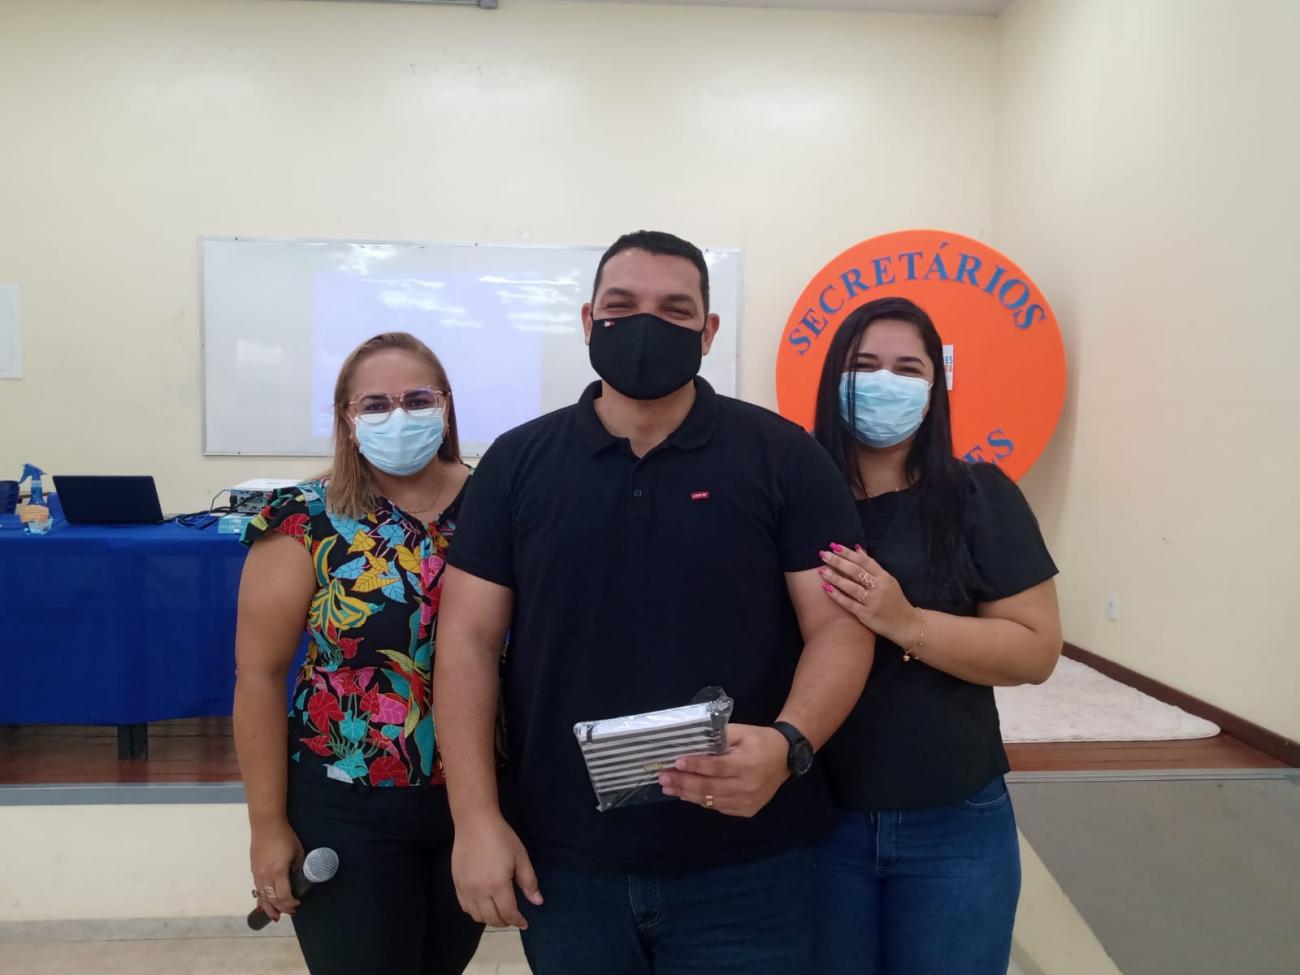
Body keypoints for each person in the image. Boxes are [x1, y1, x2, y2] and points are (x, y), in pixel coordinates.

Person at [432, 230, 875, 975]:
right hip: (567, 860)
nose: (646, 325)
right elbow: (468, 642)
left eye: (675, 310)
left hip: (750, 859)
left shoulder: (786, 458)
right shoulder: (516, 463)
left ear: (709, 330)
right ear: (587, 320)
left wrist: (789, 742)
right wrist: (475, 819)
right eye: (622, 304)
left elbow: (838, 626)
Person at [810, 296, 1063, 975]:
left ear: (933, 389)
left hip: (954, 817)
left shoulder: (978, 494)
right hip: (813, 817)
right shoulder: (791, 494)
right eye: (865, 365)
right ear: (833, 377)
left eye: (907, 369)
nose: (884, 382)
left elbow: (1036, 650)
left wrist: (907, 622)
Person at [232, 332, 484, 975]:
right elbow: (258, 677)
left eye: (417, 399)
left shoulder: (499, 506)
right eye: (374, 404)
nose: (398, 416)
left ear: (446, 406)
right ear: (347, 420)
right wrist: (266, 826)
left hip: (476, 802)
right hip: (347, 805)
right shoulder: (303, 520)